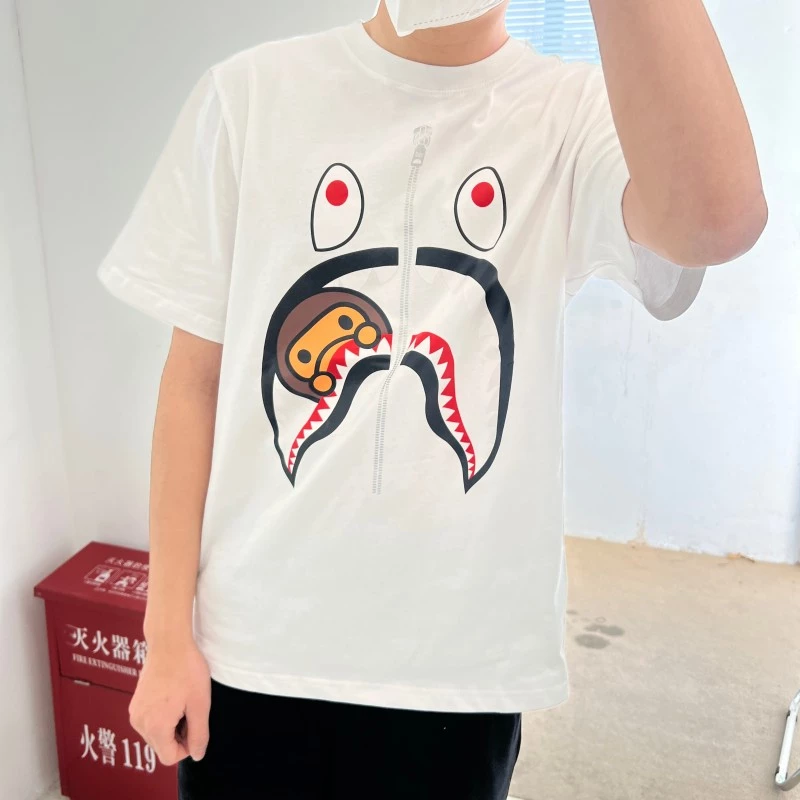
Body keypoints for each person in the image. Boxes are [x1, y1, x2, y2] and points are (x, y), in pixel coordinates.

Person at [97, 1, 766, 797]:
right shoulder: (247, 97)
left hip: (456, 674)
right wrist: (165, 636)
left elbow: (715, 221)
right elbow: (193, 385)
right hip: (250, 653)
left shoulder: (573, 115)